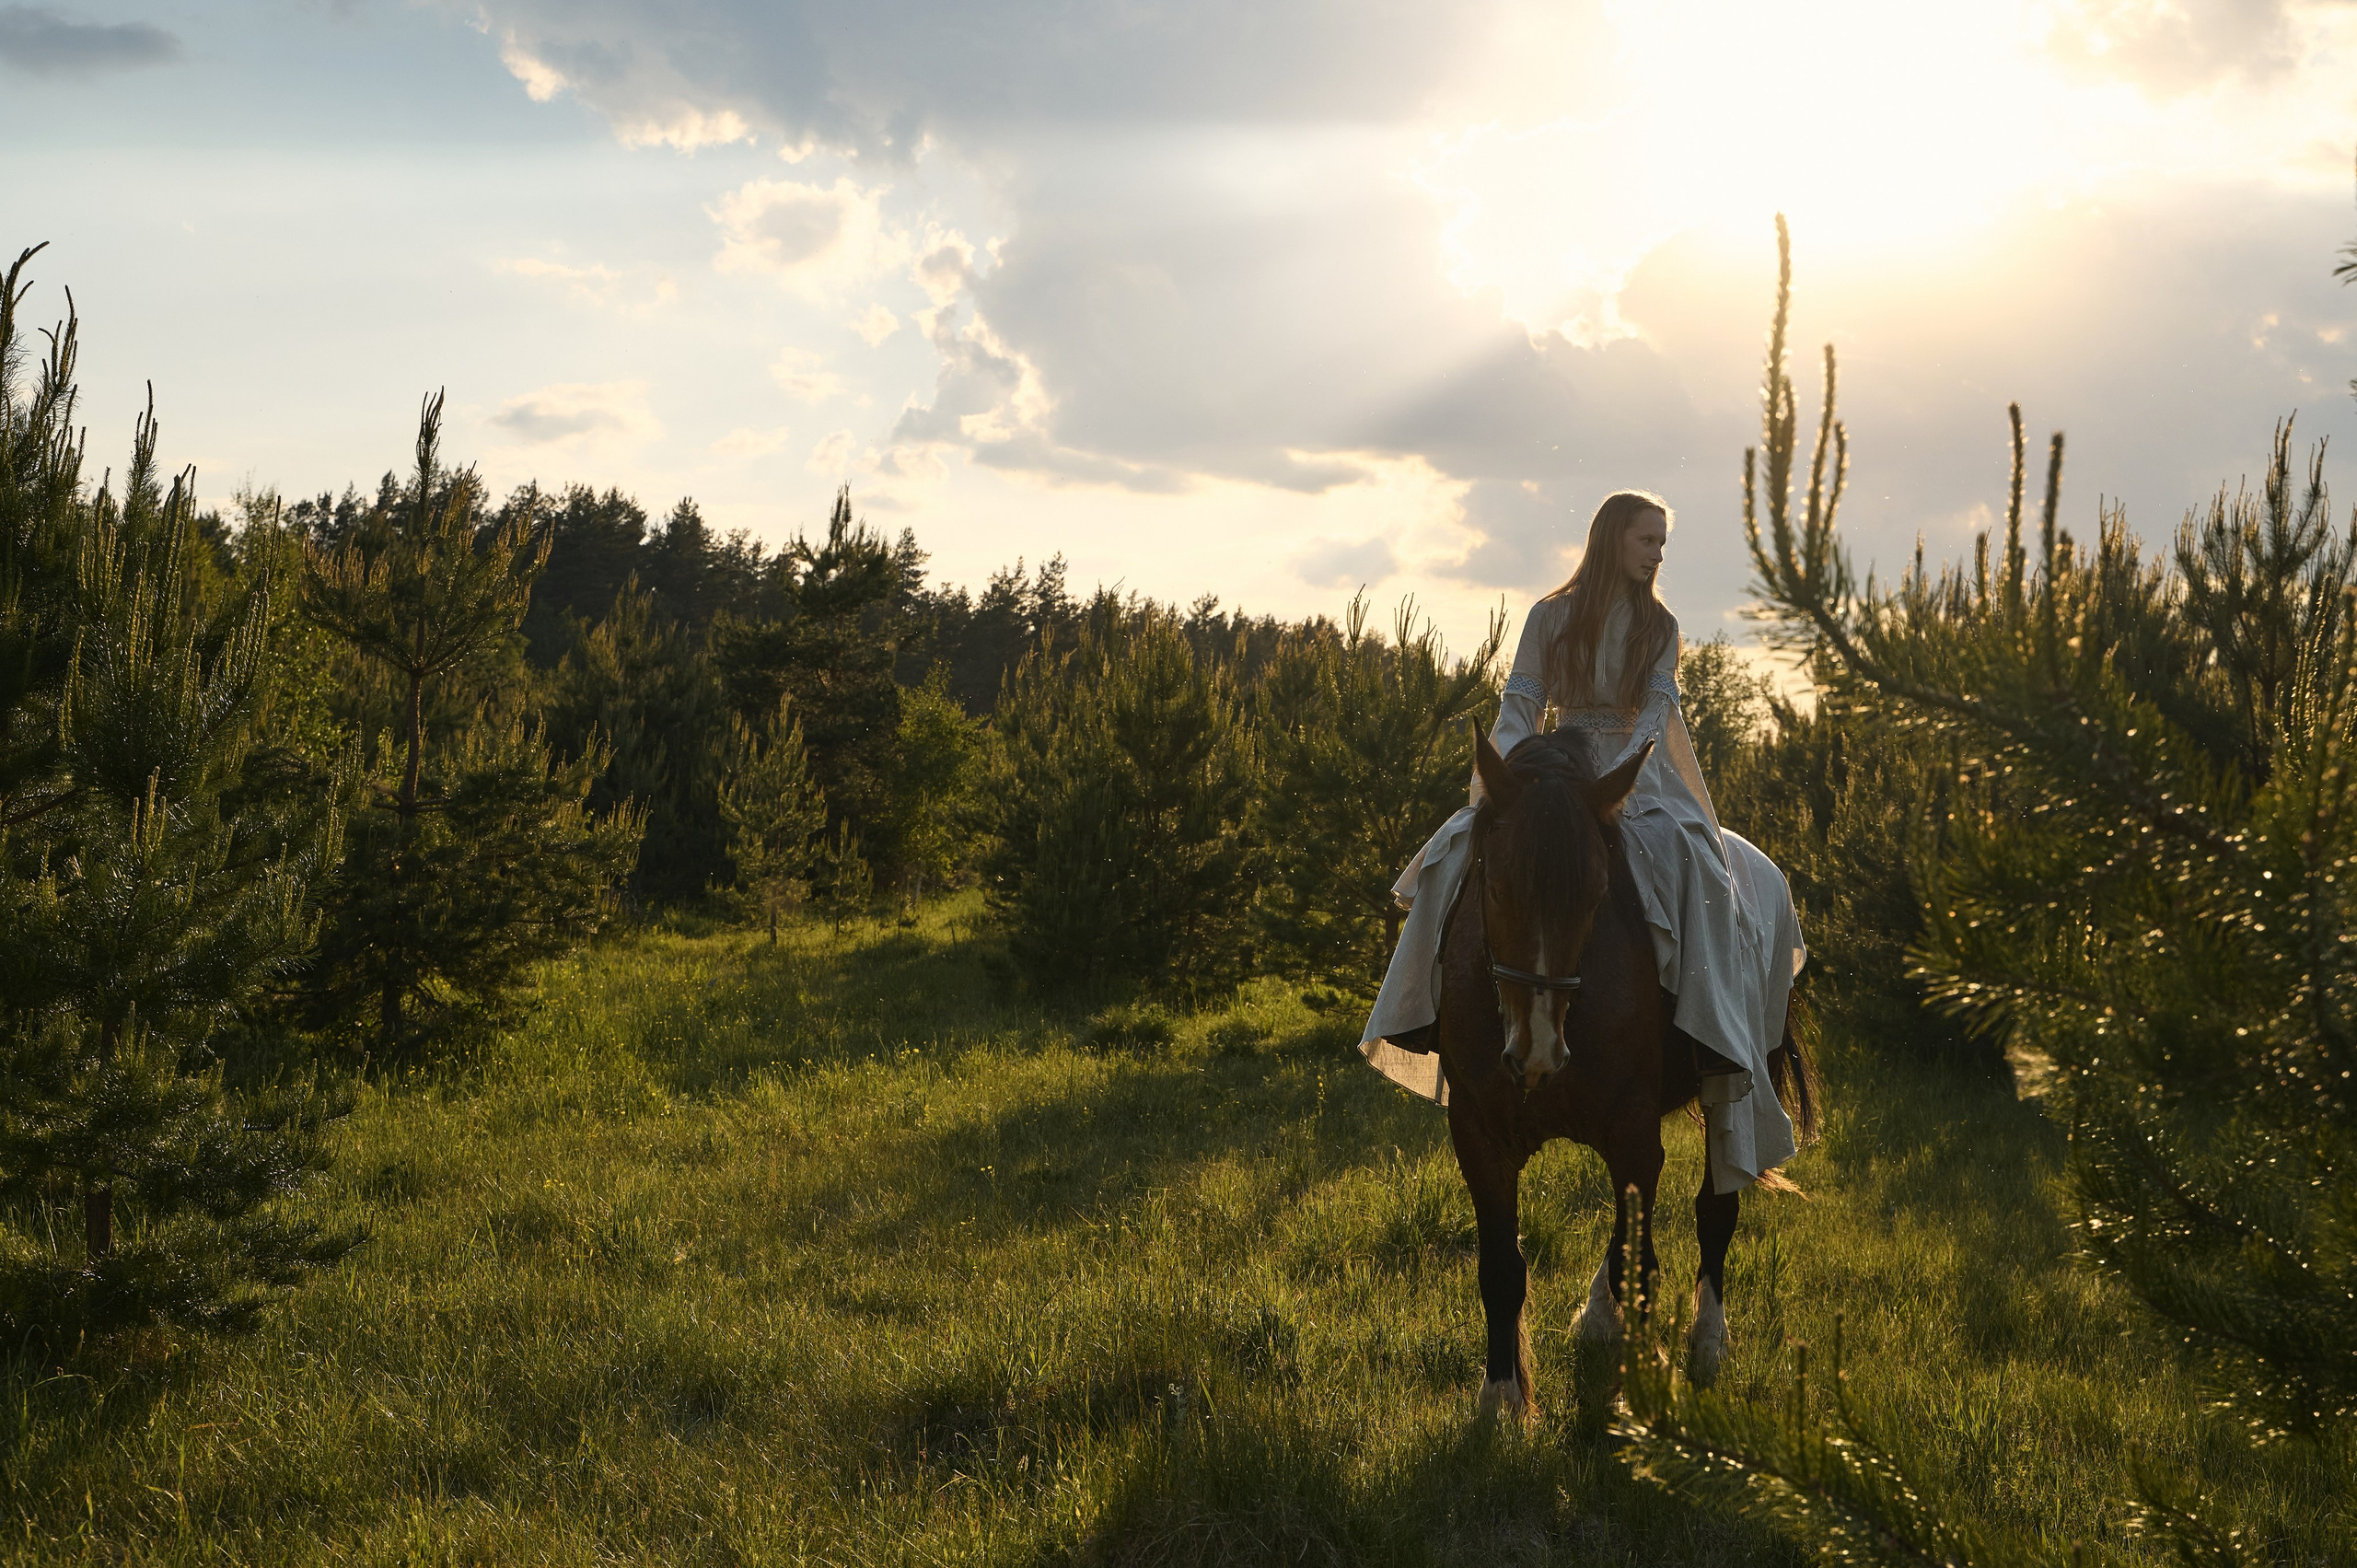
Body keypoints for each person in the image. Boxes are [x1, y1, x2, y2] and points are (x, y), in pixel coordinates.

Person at [1358, 490, 1807, 1194]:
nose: (1658, 553)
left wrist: (1616, 784)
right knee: (1451, 854)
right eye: (1647, 539)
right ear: (1611, 540)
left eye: (1662, 541)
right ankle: (1419, 1014)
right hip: (1553, 770)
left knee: (1701, 869)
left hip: (1636, 779)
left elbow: (1656, 716)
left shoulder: (1661, 627)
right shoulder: (1550, 616)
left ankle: (1717, 1037)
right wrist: (1511, 775)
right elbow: (1521, 700)